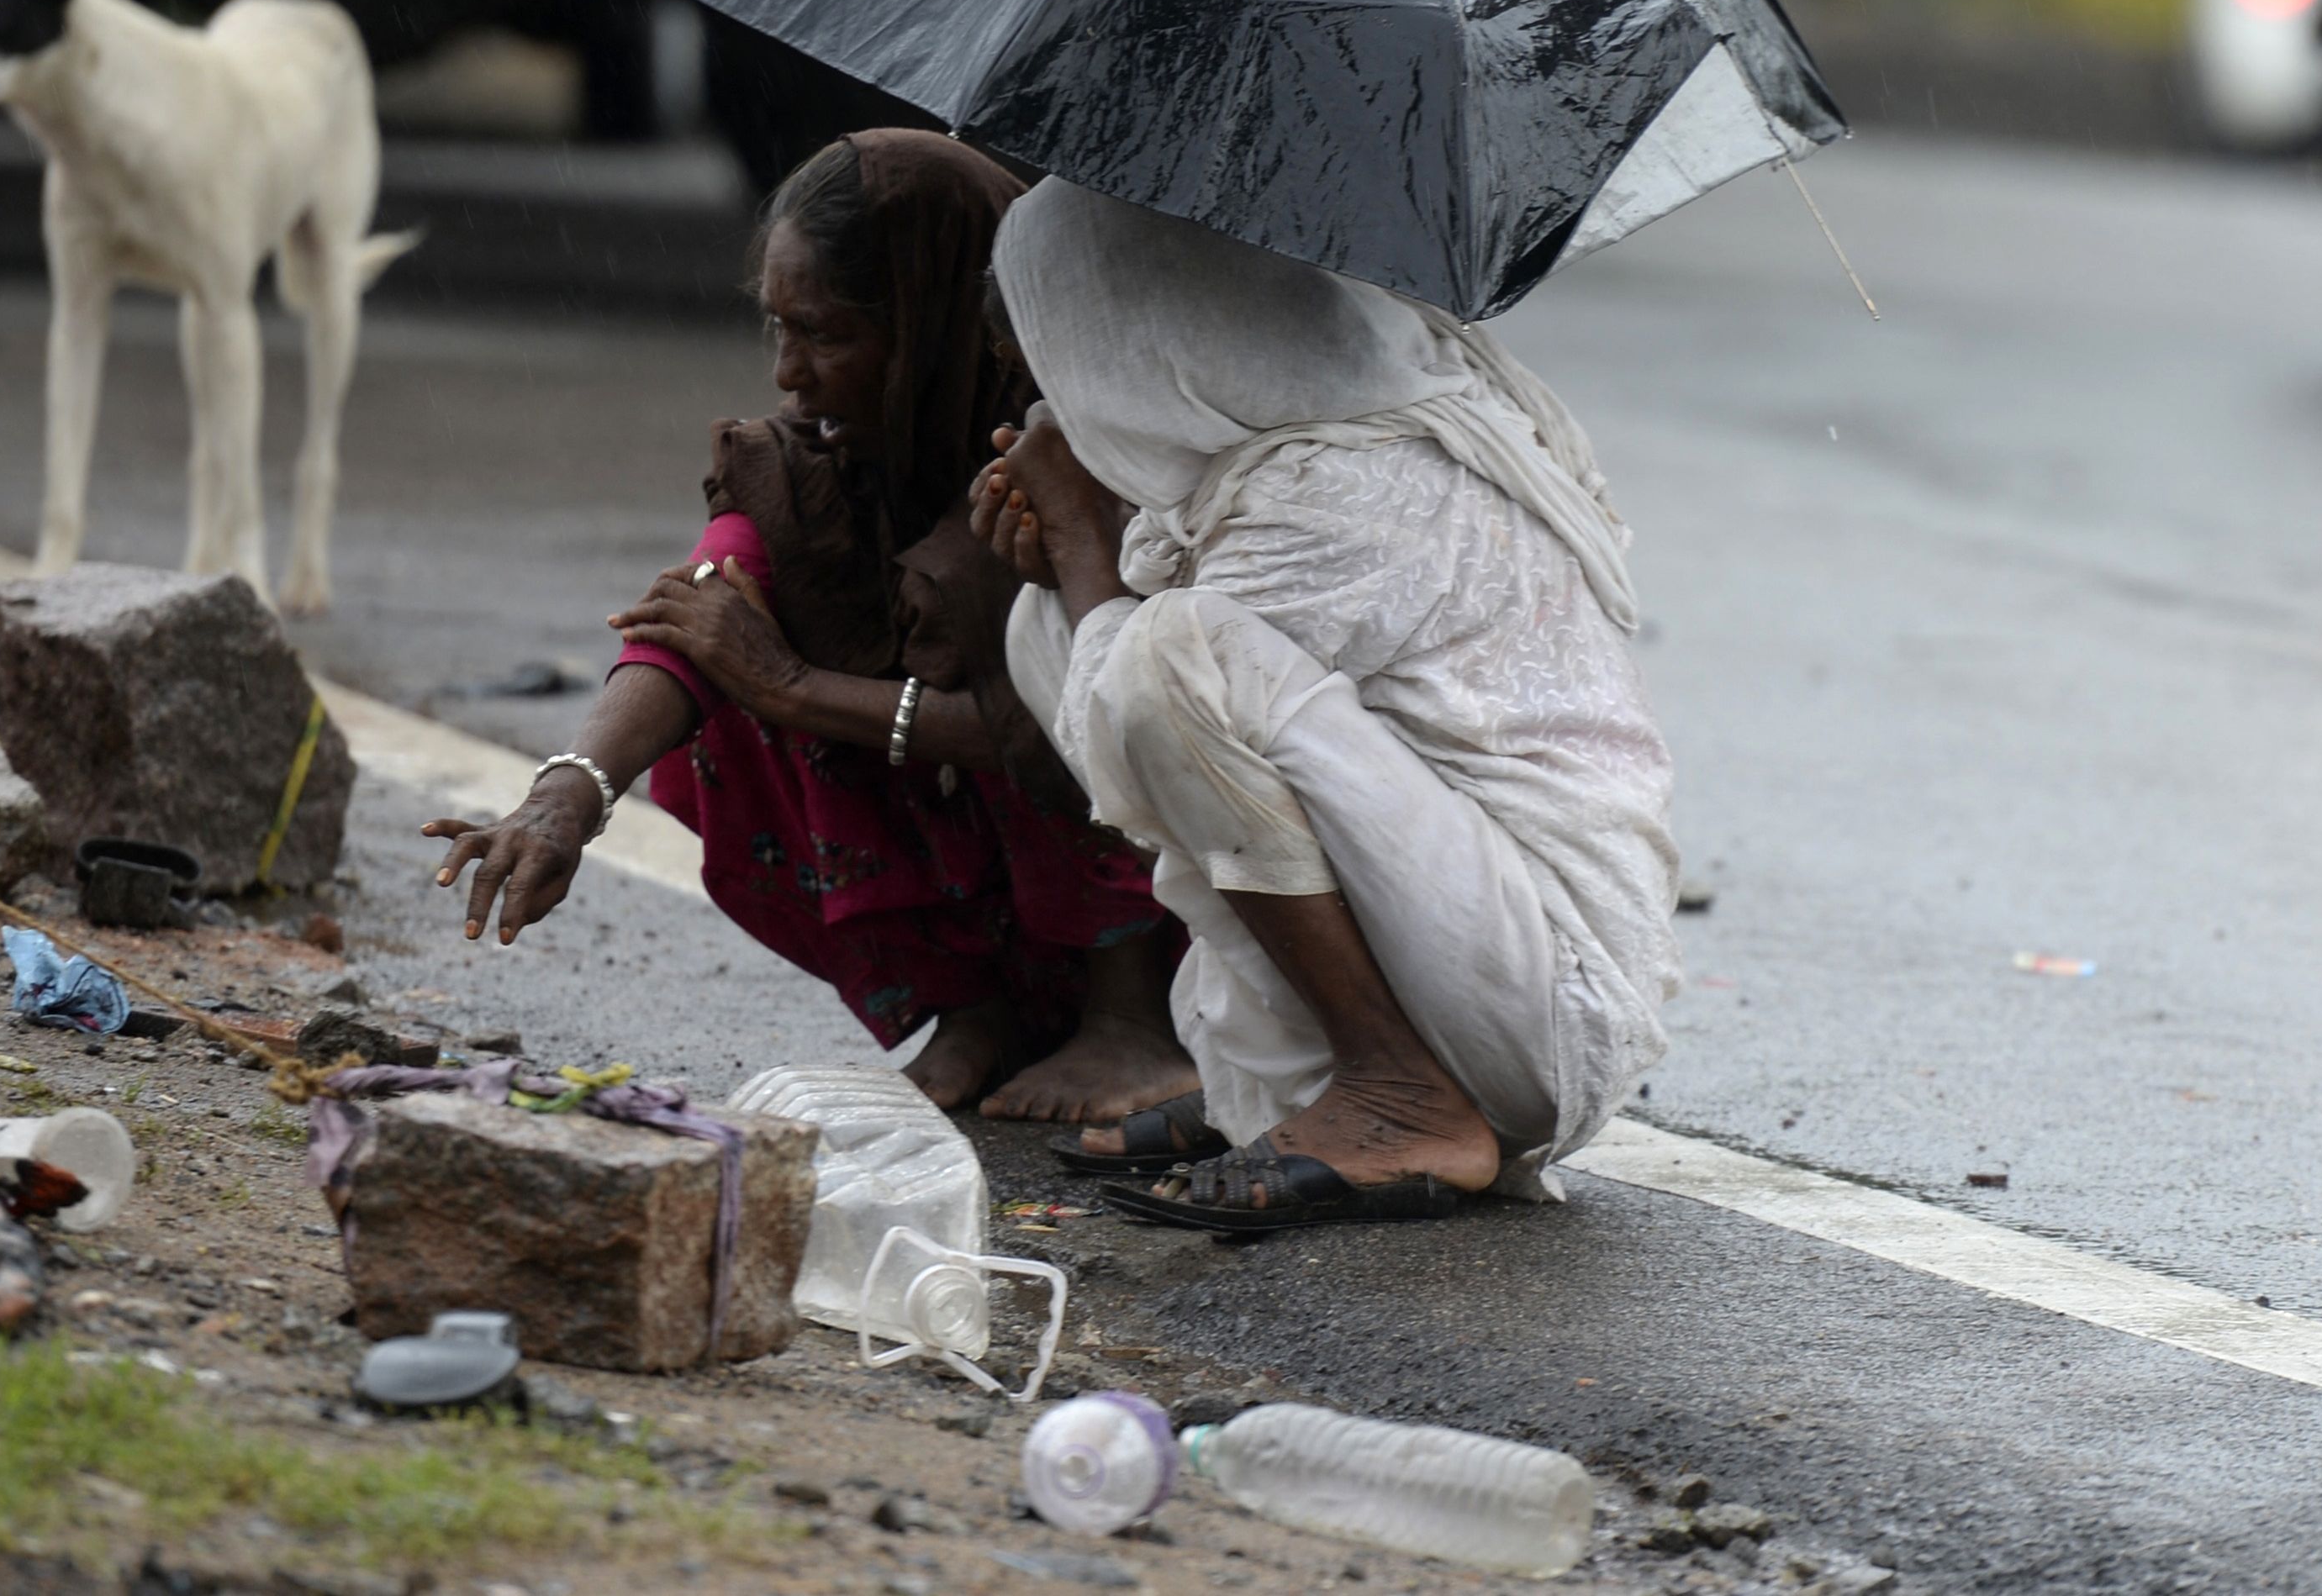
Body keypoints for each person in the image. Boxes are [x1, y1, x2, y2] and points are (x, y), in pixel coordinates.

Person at [425, 132, 1195, 1123]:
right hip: (1007, 881)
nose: (789, 373)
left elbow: (1068, 722)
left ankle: (1132, 1019)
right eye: (776, 328)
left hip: (1174, 897)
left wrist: (792, 685)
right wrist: (569, 794)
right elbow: (705, 595)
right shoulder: (828, 460)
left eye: (825, 334)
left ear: (930, 327)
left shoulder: (1090, 445)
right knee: (725, 684)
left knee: (973, 641)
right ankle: (980, 1010)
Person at [974, 179, 1678, 1231]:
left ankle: (1402, 1095)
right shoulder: (1287, 450)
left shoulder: (1364, 478)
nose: (1052, 388)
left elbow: (1133, 708)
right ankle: (1283, 1088)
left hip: (1543, 998)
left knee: (1168, 655)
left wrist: (1083, 535)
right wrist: (1080, 549)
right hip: (1463, 951)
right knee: (1060, 625)